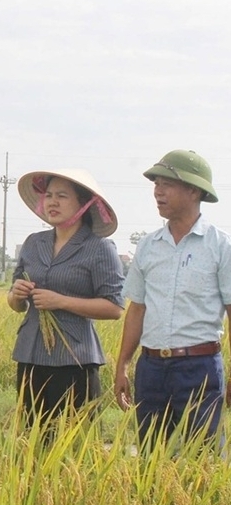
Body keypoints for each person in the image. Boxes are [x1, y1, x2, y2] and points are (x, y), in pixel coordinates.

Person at [114, 150, 231, 450]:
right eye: (156, 184)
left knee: (202, 455)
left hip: (200, 367)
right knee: (151, 453)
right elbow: (137, 309)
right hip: (151, 368)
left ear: (194, 190)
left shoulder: (220, 246)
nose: (158, 192)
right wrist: (123, 366)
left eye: (167, 184)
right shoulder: (149, 246)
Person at [7, 169, 125, 430]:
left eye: (62, 196)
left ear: (84, 205)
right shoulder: (33, 243)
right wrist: (15, 295)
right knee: (31, 437)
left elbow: (114, 307)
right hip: (31, 354)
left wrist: (60, 301)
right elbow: (17, 305)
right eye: (48, 195)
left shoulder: (99, 248)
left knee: (73, 440)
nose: (53, 202)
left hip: (75, 359)